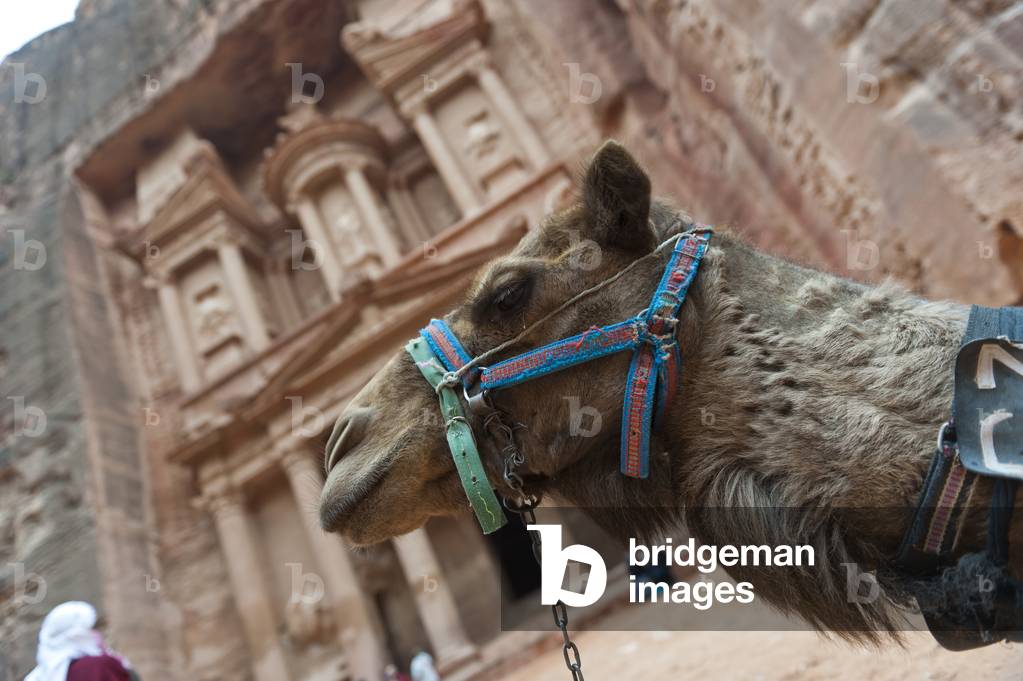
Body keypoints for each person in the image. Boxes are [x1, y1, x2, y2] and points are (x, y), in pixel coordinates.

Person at [25, 601, 136, 681]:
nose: (96, 635)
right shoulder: (101, 666)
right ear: (77, 634)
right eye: (91, 629)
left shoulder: (35, 677)